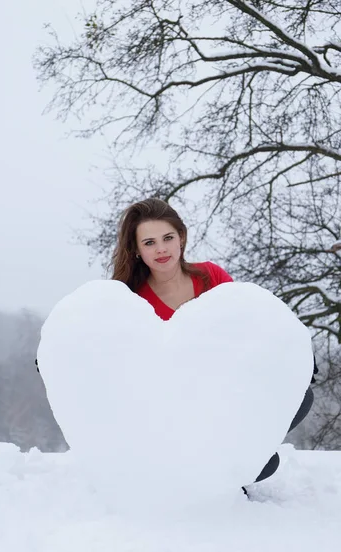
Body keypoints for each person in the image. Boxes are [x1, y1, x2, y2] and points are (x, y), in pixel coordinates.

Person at [111, 197, 316, 488]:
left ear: (181, 237)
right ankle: (200, 478)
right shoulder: (132, 299)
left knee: (300, 397)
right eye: (149, 242)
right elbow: (110, 348)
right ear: (136, 250)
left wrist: (297, 354)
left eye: (168, 238)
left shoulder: (211, 276)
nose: (161, 249)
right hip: (175, 411)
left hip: (227, 395)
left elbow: (253, 322)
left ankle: (231, 466)